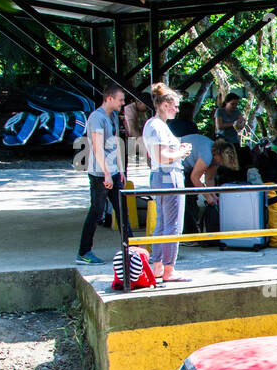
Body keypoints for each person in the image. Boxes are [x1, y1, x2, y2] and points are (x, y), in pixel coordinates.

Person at [142, 83, 194, 283]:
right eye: (174, 105)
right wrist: (182, 152)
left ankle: (158, 266)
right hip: (169, 175)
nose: (177, 109)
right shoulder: (158, 126)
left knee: (162, 223)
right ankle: (169, 270)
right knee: (172, 224)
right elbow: (162, 156)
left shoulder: (152, 125)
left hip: (159, 176)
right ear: (164, 105)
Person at [77, 83, 131, 265]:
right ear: (109, 98)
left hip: (113, 172)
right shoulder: (96, 118)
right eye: (120, 100)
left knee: (122, 210)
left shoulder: (113, 116)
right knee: (97, 212)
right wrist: (107, 174)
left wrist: (121, 170)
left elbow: (116, 144)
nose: (123, 103)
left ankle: (132, 250)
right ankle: (84, 252)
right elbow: (97, 147)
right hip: (100, 173)